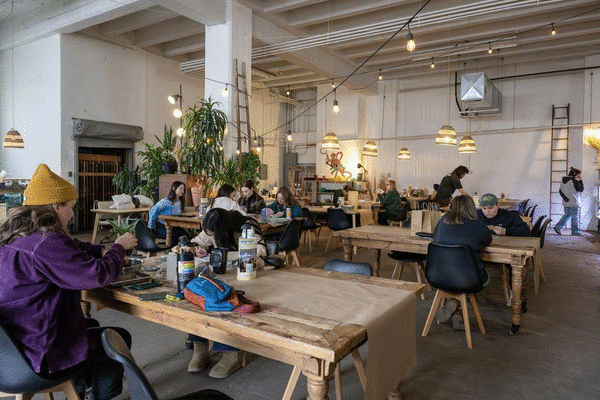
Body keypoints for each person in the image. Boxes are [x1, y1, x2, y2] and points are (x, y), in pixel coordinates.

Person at [0, 164, 137, 400]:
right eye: (70, 207)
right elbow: (97, 275)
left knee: (89, 323)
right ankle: (99, 396)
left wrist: (98, 250)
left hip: (10, 351)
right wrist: (118, 248)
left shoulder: (15, 235)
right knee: (118, 337)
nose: (72, 213)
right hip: (38, 356)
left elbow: (69, 246)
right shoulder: (46, 243)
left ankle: (78, 391)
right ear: (56, 206)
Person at [188, 208, 267, 378]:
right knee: (199, 298)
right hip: (223, 273)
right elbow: (197, 241)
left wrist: (229, 254)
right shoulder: (212, 228)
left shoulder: (246, 226)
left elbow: (261, 250)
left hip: (248, 275)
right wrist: (196, 249)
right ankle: (199, 348)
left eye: (213, 233)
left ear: (223, 228)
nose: (211, 236)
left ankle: (230, 352)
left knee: (227, 303)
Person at [432, 195, 493, 330]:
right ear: (472, 208)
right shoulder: (479, 227)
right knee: (475, 278)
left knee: (458, 278)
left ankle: (455, 308)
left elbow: (434, 237)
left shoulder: (442, 222)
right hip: (469, 280)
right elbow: (487, 241)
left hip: (438, 277)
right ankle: (455, 303)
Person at [148, 181, 188, 245]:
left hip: (173, 226)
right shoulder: (165, 202)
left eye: (183, 189)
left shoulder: (179, 202)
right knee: (175, 236)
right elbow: (153, 211)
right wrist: (151, 227)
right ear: (174, 189)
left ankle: (182, 249)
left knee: (185, 235)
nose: (182, 191)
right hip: (162, 226)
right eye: (180, 188)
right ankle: (172, 249)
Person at [554, 167, 584, 236]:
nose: (579, 176)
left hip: (566, 202)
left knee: (567, 215)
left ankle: (558, 227)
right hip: (574, 202)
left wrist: (565, 199)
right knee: (575, 217)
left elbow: (560, 191)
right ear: (576, 174)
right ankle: (575, 231)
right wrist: (580, 181)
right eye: (578, 174)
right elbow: (580, 189)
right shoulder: (574, 181)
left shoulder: (563, 181)